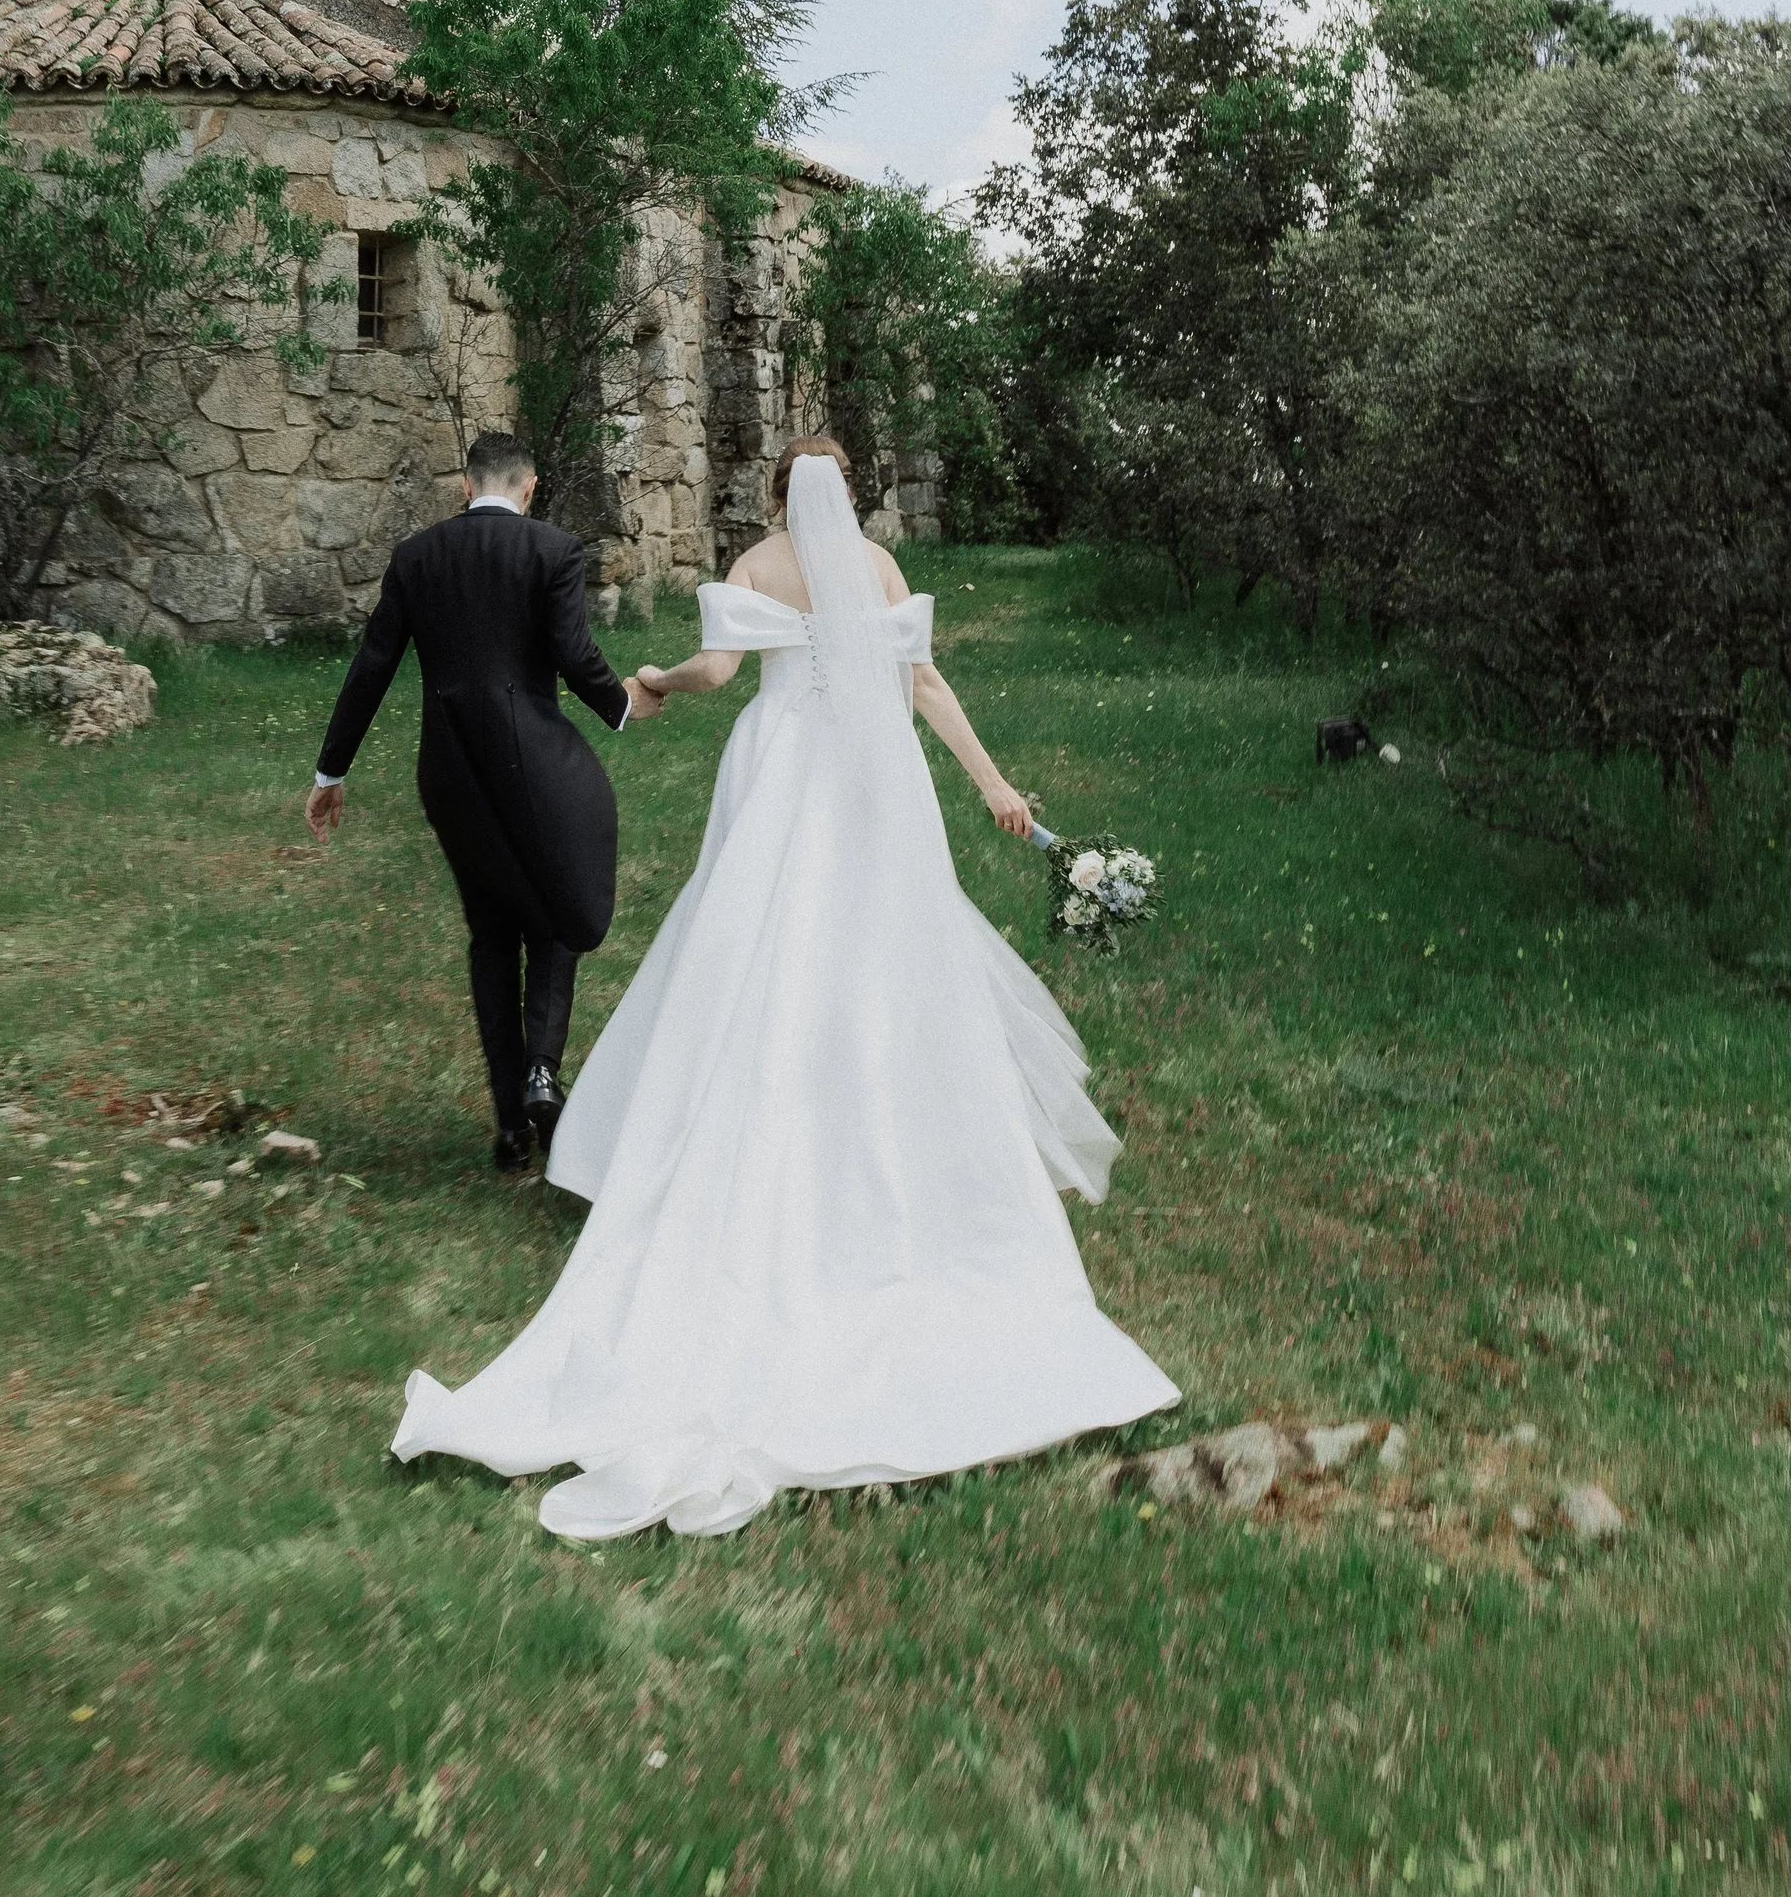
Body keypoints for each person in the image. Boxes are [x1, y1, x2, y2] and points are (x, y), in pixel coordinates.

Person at [389, 437, 1178, 1535]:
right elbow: (923, 681)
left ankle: (720, 1123)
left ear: (773, 493)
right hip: (873, 778)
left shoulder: (757, 567)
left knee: (754, 941)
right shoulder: (880, 572)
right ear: (844, 493)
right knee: (880, 948)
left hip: (781, 768)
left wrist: (653, 681)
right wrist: (993, 783)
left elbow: (716, 672)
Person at [307, 429, 661, 1172]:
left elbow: (373, 664)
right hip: (535, 763)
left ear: (466, 487)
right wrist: (622, 706)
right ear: (529, 487)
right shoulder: (554, 551)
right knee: (562, 913)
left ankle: (508, 1127)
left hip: (450, 772)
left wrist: (330, 771)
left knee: (491, 932)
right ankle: (541, 1071)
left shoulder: (416, 558)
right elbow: (573, 653)